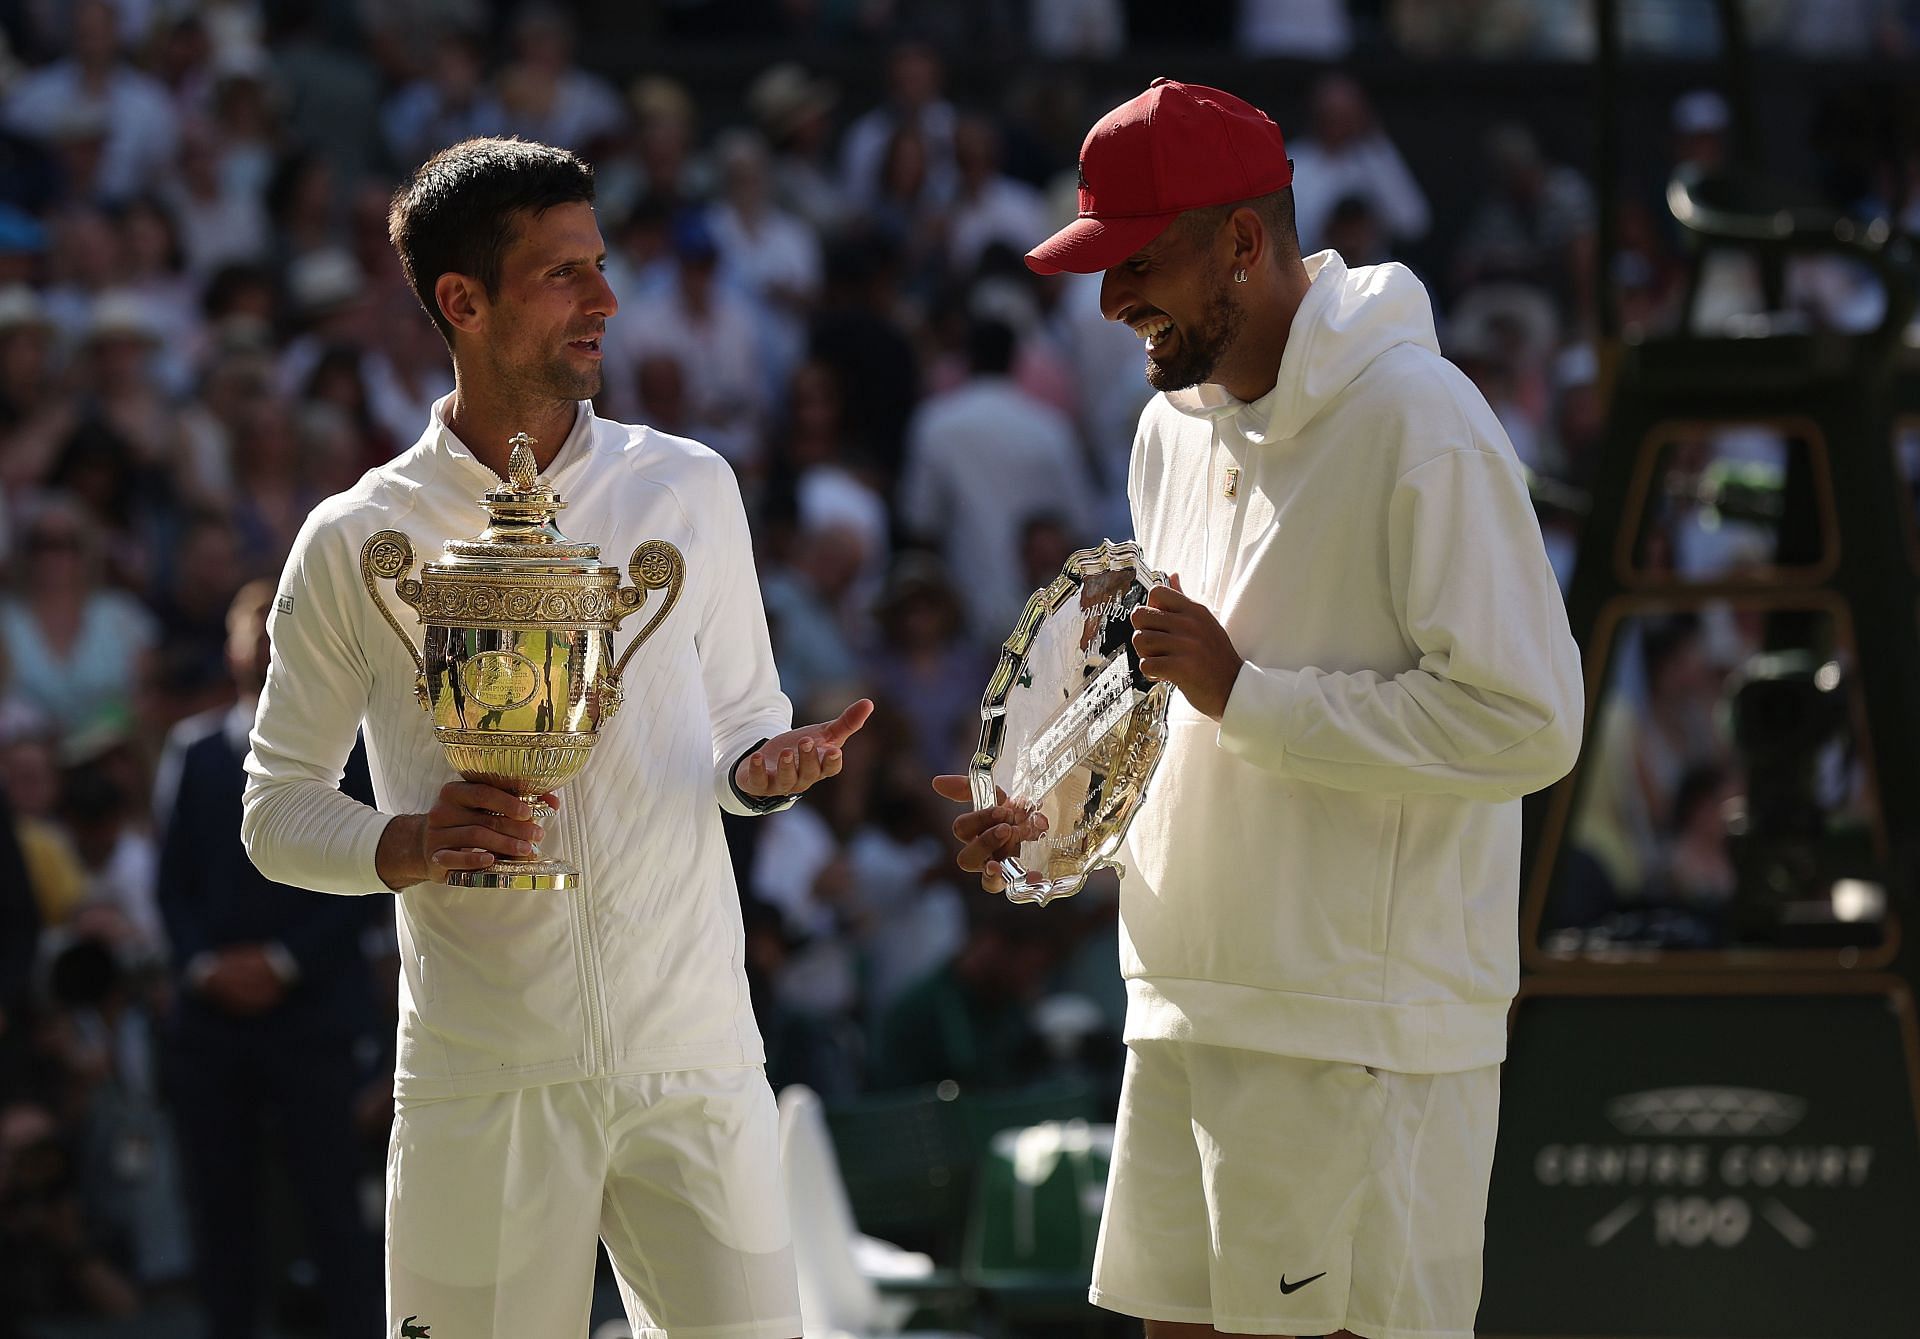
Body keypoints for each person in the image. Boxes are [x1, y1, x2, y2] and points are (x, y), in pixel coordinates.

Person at [934, 80, 1583, 1339]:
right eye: (1100, 264)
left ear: (1243, 239)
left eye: (1141, 260)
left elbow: (1528, 723)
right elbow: (1175, 706)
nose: (1113, 298)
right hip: (1187, 997)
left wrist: (1252, 694)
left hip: (1359, 1027)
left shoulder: (1423, 419)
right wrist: (1055, 817)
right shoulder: (1166, 430)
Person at [240, 137, 870, 1339]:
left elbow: (745, 724)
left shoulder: (691, 484)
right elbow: (275, 812)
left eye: (601, 263)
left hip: (695, 1058)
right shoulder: (350, 535)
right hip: (483, 1076)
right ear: (462, 303)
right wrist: (409, 841)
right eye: (563, 275)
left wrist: (767, 771)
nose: (607, 301)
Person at [156, 580, 384, 1339]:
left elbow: (365, 881)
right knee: (222, 1212)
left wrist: (284, 962)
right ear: (229, 646)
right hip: (212, 1030)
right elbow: (172, 886)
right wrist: (207, 969)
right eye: (248, 628)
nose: (261, 642)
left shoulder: (353, 755)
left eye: (274, 625)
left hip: (313, 1022)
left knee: (334, 1211)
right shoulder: (190, 753)